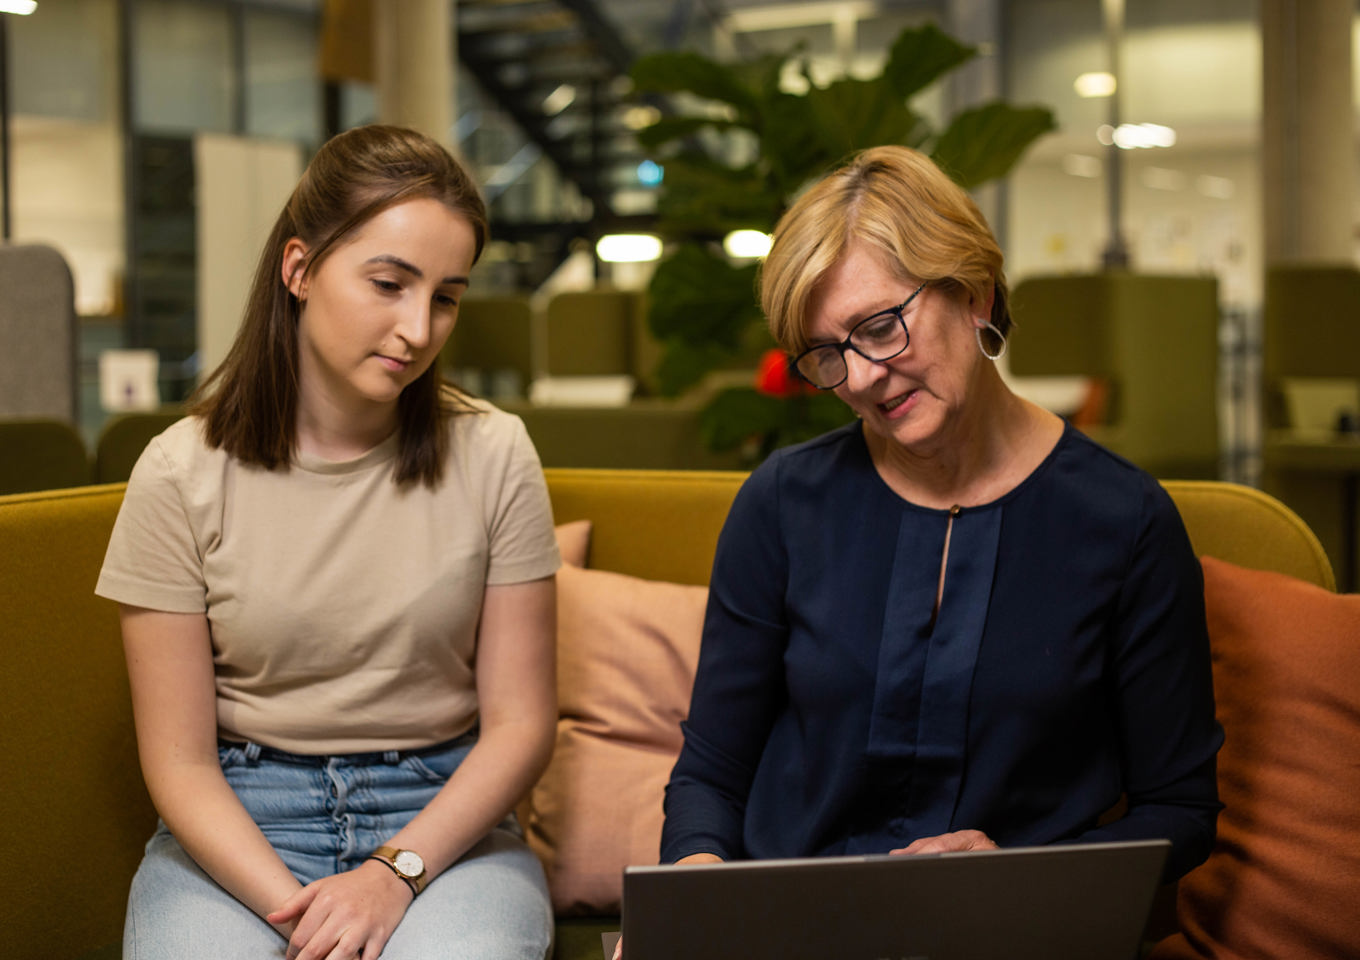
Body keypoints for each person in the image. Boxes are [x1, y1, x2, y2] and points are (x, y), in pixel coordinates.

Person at [659, 145, 1224, 883]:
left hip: (1012, 933)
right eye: (826, 354)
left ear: (976, 294)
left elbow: (1179, 808)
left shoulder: (1124, 521)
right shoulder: (783, 504)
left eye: (880, 326)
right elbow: (711, 773)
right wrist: (696, 898)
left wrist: (1017, 874)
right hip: (797, 926)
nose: (859, 377)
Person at [96, 124, 560, 960]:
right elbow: (178, 763)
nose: (418, 329)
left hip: (440, 820)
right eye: (389, 283)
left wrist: (394, 872)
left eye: (445, 297)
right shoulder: (177, 473)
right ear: (299, 268)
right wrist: (302, 918)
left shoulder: (495, 453)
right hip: (241, 819)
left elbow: (521, 725)